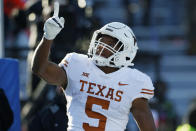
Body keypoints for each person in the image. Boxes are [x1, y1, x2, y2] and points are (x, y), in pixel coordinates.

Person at [31, 2, 156, 131]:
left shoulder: (133, 80)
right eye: (101, 40)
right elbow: (40, 69)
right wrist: (48, 37)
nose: (102, 45)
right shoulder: (77, 64)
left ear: (126, 51)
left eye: (111, 43)